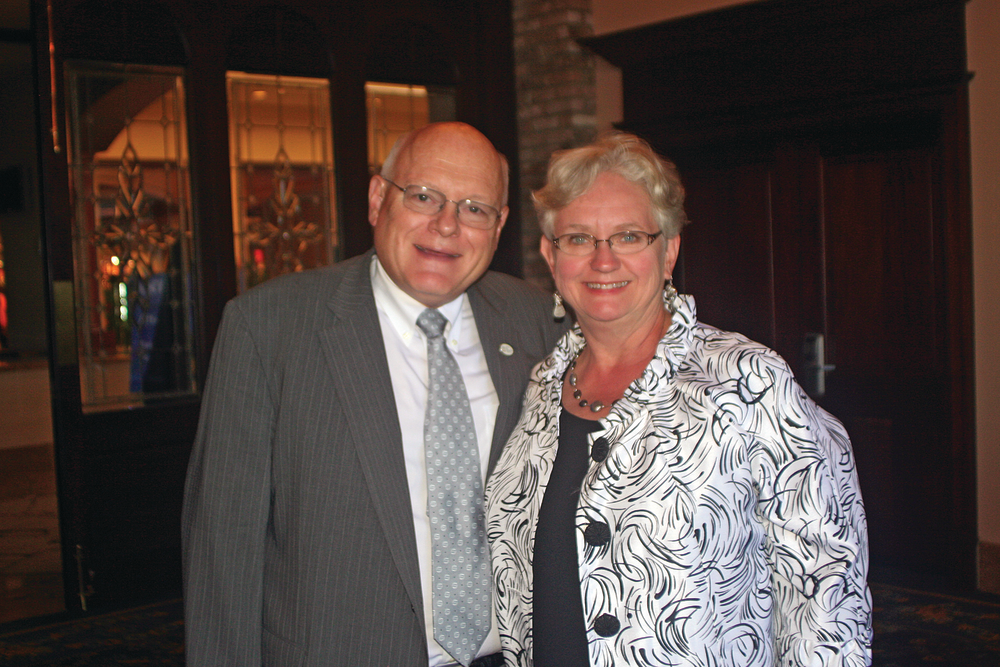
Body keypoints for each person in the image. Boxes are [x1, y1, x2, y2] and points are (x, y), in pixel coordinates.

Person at [182, 122, 567, 667]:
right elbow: (223, 548)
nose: (446, 225)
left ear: (500, 225)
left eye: (474, 208)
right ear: (378, 198)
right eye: (424, 196)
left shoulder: (539, 322)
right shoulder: (269, 327)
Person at [485, 132, 872, 667]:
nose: (602, 260)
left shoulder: (747, 382)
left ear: (668, 250)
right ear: (551, 257)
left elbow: (826, 594)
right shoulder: (542, 386)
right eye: (578, 239)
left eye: (627, 236)